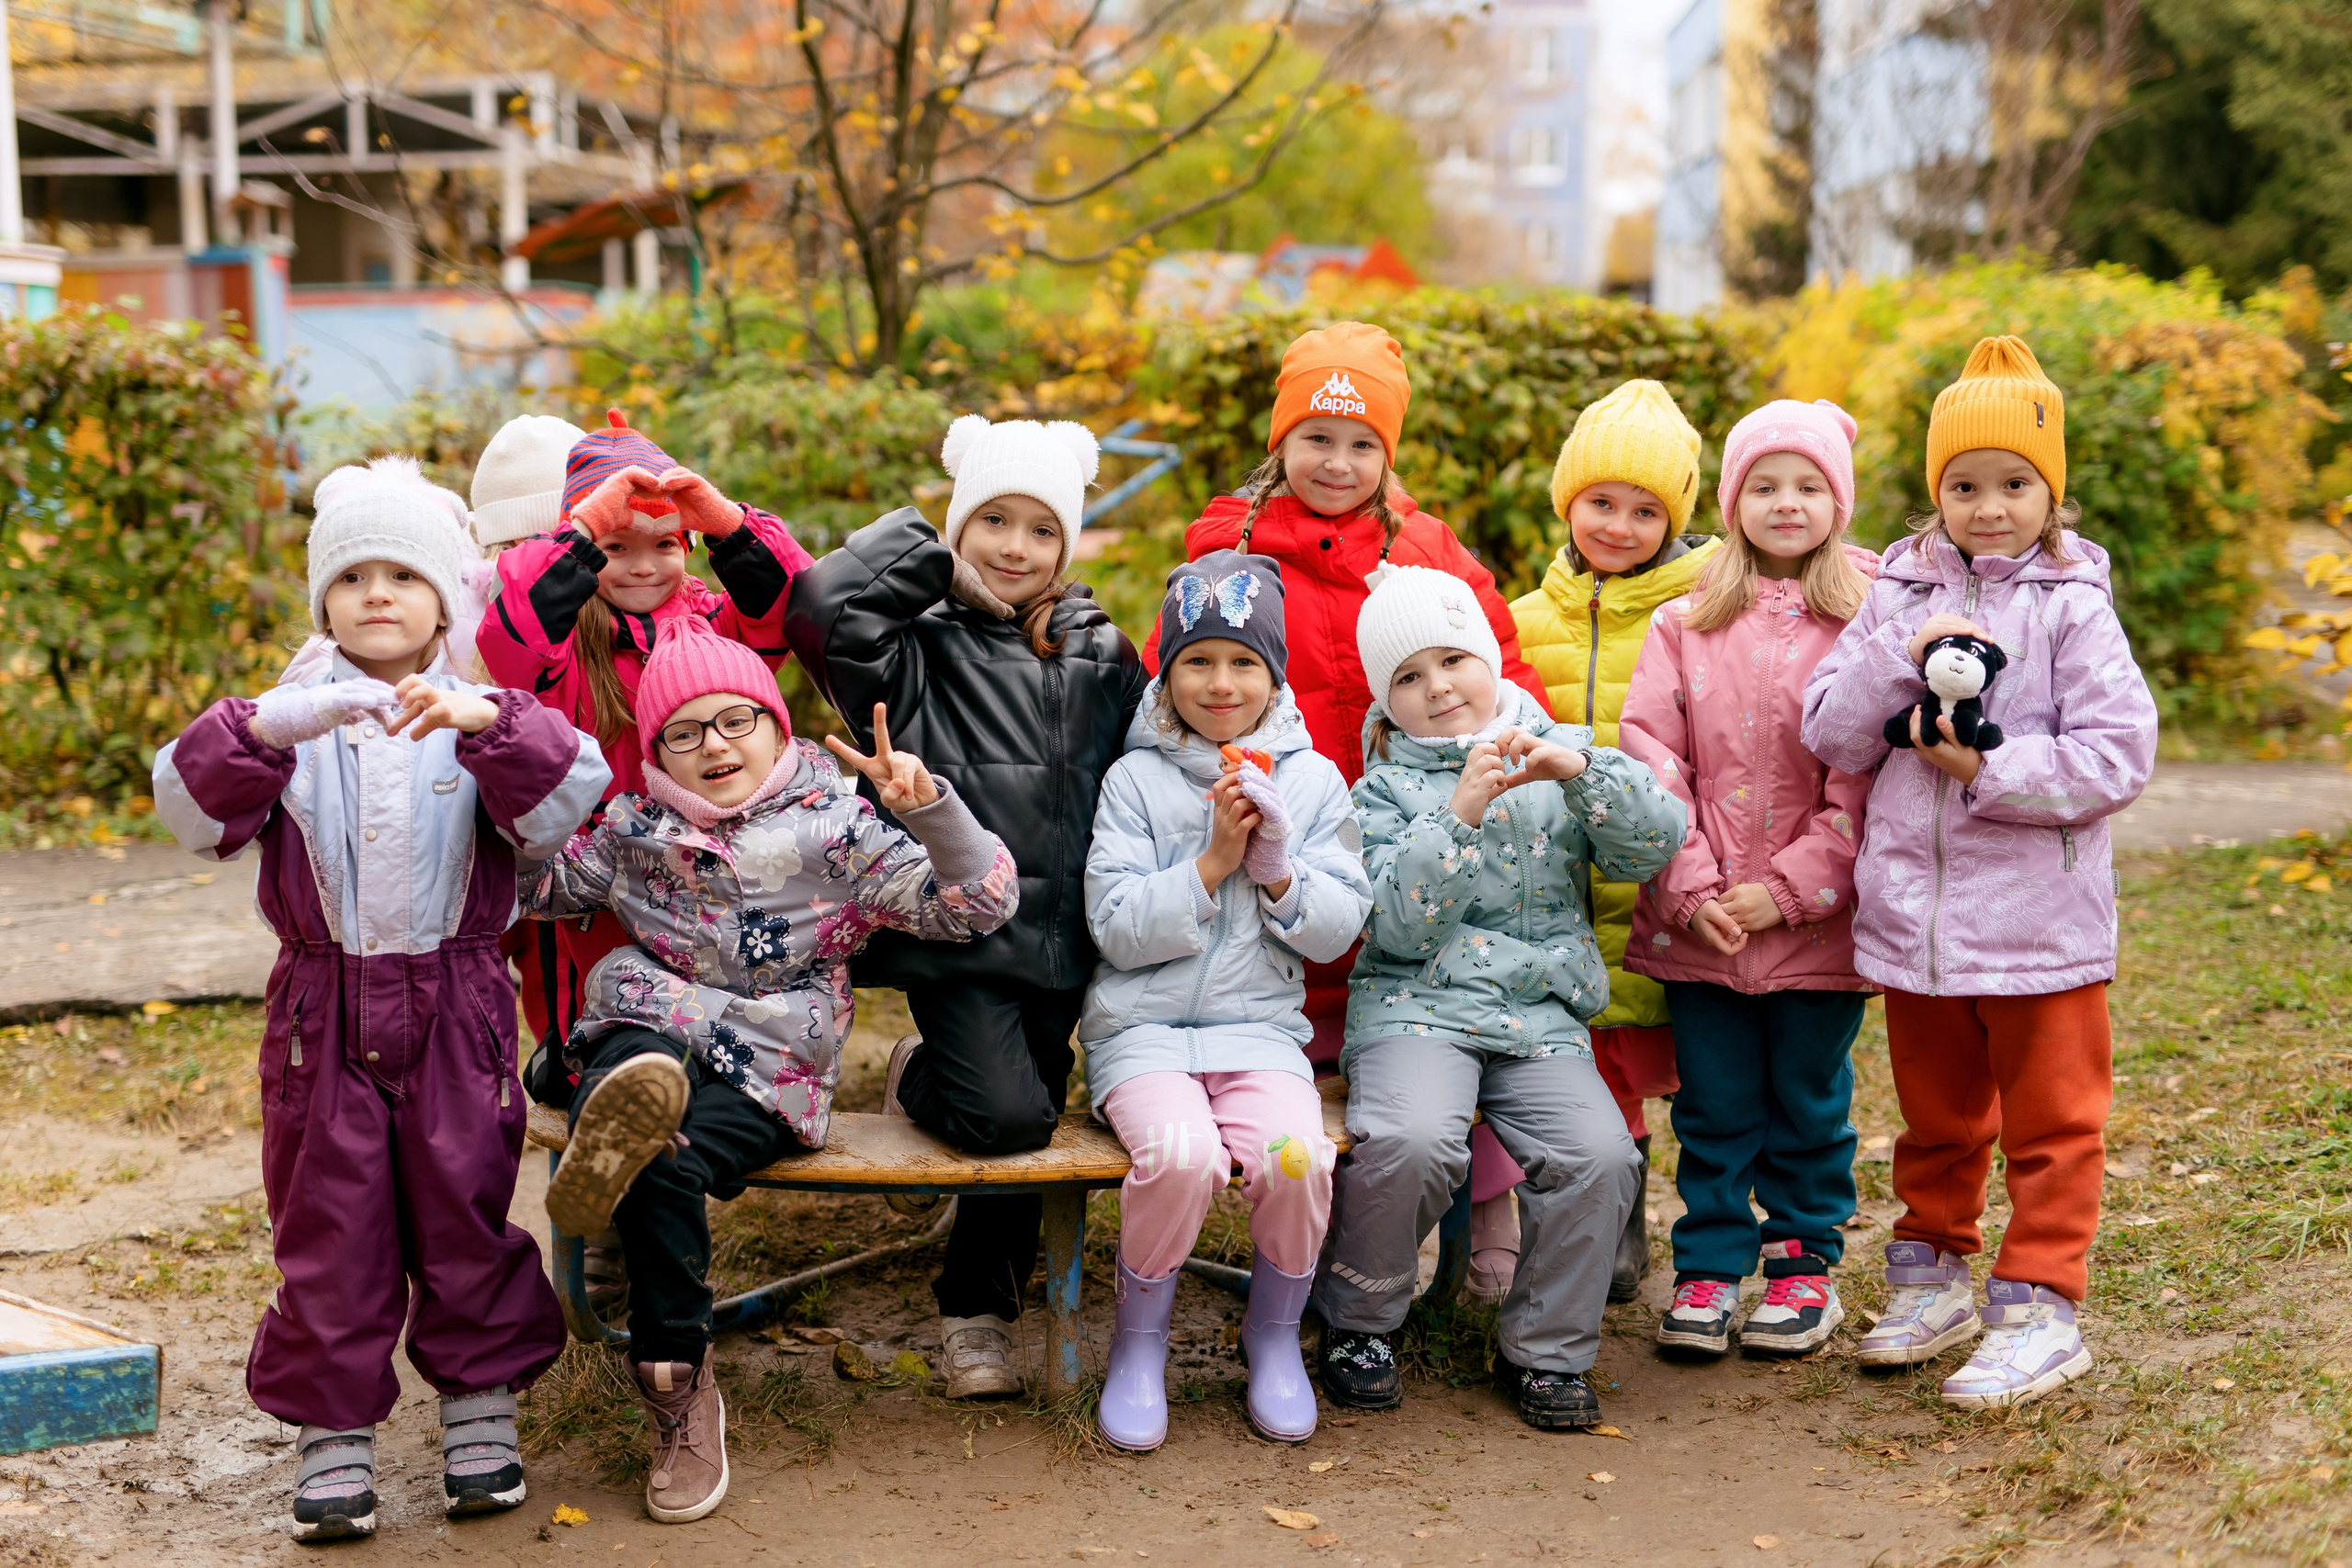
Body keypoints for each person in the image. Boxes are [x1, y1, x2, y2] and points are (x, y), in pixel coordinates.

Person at [151, 457, 611, 1542]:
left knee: (463, 1205)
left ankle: (480, 1409)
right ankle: (334, 1434)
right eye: (352, 576)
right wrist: (263, 731)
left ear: (443, 596)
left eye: (402, 574)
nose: (376, 595)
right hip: (323, 1011)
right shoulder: (286, 715)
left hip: (457, 1001)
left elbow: (567, 798)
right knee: (330, 1222)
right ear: (323, 600)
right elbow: (189, 814)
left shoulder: (476, 704)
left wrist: (486, 723)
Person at [524, 614, 1018, 1521]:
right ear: (657, 750)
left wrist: (930, 810)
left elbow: (978, 905)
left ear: (773, 724)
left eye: (734, 721)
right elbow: (537, 891)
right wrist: (529, 788)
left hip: (768, 1059)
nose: (712, 746)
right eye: (683, 731)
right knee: (631, 1060)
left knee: (659, 1157)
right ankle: (679, 1375)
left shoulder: (837, 830)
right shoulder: (634, 826)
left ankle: (669, 1369)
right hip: (653, 1027)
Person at [1147, 321, 1550, 1303]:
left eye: (1362, 442)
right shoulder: (1228, 548)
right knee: (1322, 1003)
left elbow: (1504, 667)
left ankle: (1484, 1193)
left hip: (1421, 812)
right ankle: (1337, 1212)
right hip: (1294, 827)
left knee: (1445, 986)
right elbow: (1184, 676)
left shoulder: (1428, 551)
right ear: (1279, 442)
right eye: (1316, 438)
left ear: (1388, 454)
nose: (1336, 462)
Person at [1802, 336, 2157, 1407]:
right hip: (1918, 926)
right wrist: (1900, 643)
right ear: (1934, 491)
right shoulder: (1895, 590)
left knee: (2052, 1123)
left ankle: (2041, 1304)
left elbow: (2115, 756)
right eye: (1963, 485)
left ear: (2050, 492)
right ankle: (1931, 1273)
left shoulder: (2071, 606)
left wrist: (1988, 765)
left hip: (2041, 927)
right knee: (1938, 1118)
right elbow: (1831, 730)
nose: (1987, 506)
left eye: (2013, 484)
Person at [785, 416, 1146, 1398]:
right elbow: (822, 605)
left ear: (1067, 545)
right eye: (993, 519)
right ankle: (972, 1313)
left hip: (1066, 941)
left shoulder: (1102, 646)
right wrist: (931, 555)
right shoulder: (911, 647)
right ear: (956, 527)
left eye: (1041, 528)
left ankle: (983, 1295)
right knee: (1005, 1121)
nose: (1015, 547)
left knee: (1028, 1109)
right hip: (961, 928)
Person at [1315, 566, 1682, 1430]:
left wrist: (1584, 770)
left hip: (1539, 1017)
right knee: (1408, 1139)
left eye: (1453, 660)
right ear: (1385, 699)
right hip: (1415, 1009)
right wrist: (1460, 812)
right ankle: (1360, 1319)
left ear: (1488, 657)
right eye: (1408, 676)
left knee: (1600, 1154)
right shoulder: (1378, 791)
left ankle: (1546, 1351)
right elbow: (1397, 929)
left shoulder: (1557, 749)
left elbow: (1654, 844)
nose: (1438, 687)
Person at [479, 410, 813, 1323]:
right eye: (617, 547)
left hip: (706, 904)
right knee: (613, 1060)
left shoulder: (710, 628)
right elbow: (505, 630)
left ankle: (646, 1214)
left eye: (665, 545)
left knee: (694, 1059)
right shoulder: (555, 648)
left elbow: (800, 613)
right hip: (591, 918)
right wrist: (582, 527)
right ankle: (616, 1236)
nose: (643, 566)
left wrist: (731, 523)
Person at [1082, 551, 1372, 1452]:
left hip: (1260, 1035)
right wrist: (1209, 863)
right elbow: (1116, 927)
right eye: (1197, 660)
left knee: (1297, 1157)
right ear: (1165, 668)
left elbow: (1335, 932)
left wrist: (1278, 869)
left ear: (1273, 673)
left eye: (1244, 662)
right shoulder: (1132, 781)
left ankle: (1274, 1336)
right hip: (1145, 1035)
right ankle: (1139, 1346)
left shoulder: (1314, 782)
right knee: (1178, 1155)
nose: (1219, 682)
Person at [1617, 399, 1880, 1359]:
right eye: (1763, 485)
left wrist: (1790, 888)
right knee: (1715, 1106)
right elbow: (1651, 753)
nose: (1785, 503)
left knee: (1809, 1102)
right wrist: (1689, 887)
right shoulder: (1684, 621)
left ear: (1837, 503)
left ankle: (1804, 1267)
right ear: (1731, 503)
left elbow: (1867, 774)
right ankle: (1708, 1269)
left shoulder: (1868, 619)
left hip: (1812, 925)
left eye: (1807, 486)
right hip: (1704, 926)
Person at [1510, 378, 1725, 1301]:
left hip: (1661, 888)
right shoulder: (1522, 621)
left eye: (1646, 509)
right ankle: (1602, 1231)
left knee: (1674, 1072)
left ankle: (1706, 1243)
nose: (1620, 524)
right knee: (1583, 1077)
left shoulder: (1704, 615)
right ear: (1568, 501)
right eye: (1601, 502)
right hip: (1554, 895)